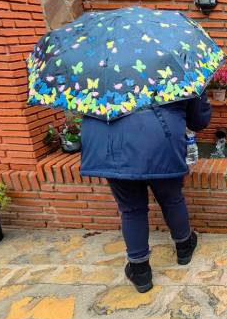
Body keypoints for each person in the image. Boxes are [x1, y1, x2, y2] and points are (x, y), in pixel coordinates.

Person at [80, 93, 212, 293]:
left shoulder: (98, 78)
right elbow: (199, 121)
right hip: (162, 143)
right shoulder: (175, 76)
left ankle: (140, 272)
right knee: (172, 199)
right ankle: (184, 248)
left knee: (132, 210)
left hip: (112, 149)